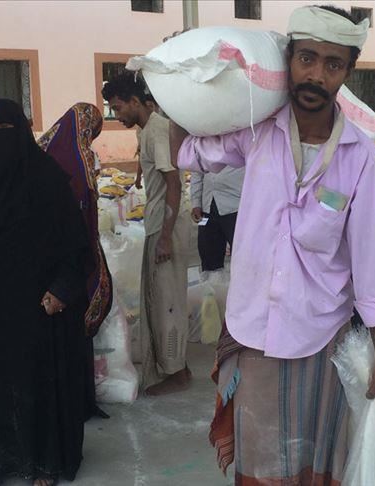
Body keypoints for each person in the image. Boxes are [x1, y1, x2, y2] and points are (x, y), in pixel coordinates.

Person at [169, 6, 375, 482]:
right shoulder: (257, 134)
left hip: (321, 336)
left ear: (348, 72)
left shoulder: (362, 160)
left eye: (332, 64)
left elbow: (372, 269)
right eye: (307, 58)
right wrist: (176, 81)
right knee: (261, 462)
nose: (316, 75)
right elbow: (186, 152)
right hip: (254, 328)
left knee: (316, 457)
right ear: (289, 60)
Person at [0, 99, 92, 486]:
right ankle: (5, 459)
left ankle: (45, 462)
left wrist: (61, 289)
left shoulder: (47, 178)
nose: (0, 141)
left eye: (7, 132)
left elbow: (75, 245)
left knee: (37, 382)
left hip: (38, 304)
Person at [102, 72, 191, 396]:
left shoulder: (158, 131)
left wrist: (165, 237)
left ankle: (176, 372)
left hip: (168, 224)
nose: (117, 115)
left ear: (135, 101)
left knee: (168, 300)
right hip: (157, 221)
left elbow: (173, 184)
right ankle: (173, 365)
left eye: (118, 107)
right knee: (158, 297)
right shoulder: (146, 130)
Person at [37, 102, 114, 417]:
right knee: (70, 330)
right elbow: (83, 209)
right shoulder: (76, 161)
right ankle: (76, 401)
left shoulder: (47, 150)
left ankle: (72, 400)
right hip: (71, 257)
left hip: (53, 260)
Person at [190, 167, 244, 275]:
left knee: (243, 257)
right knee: (207, 254)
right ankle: (211, 284)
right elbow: (196, 171)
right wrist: (196, 203)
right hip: (207, 207)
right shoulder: (201, 153)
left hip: (236, 206)